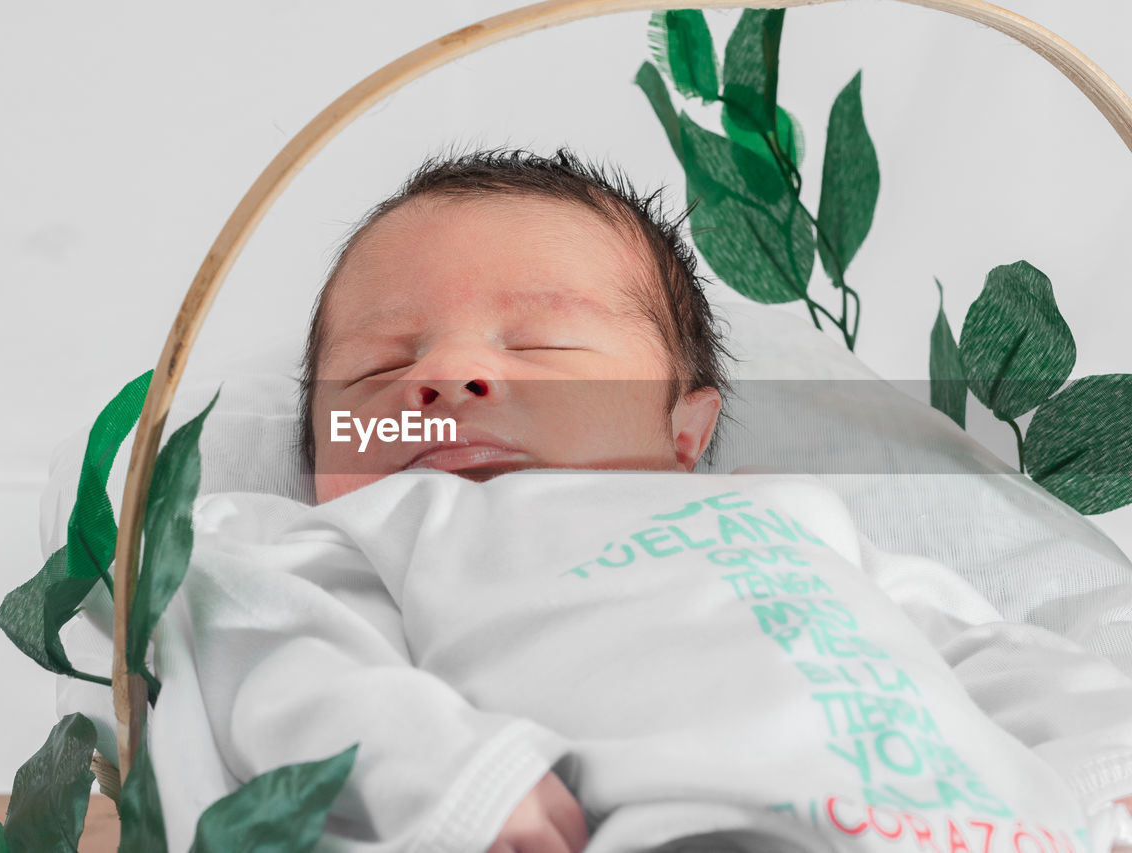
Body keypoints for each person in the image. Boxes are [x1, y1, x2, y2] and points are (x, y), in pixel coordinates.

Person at [156, 149, 1132, 853]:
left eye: (538, 347)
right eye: (376, 366)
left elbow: (976, 651)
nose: (443, 375)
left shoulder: (793, 518)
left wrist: (1101, 765)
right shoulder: (379, 526)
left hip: (976, 821)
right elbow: (273, 647)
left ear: (682, 434)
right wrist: (458, 778)